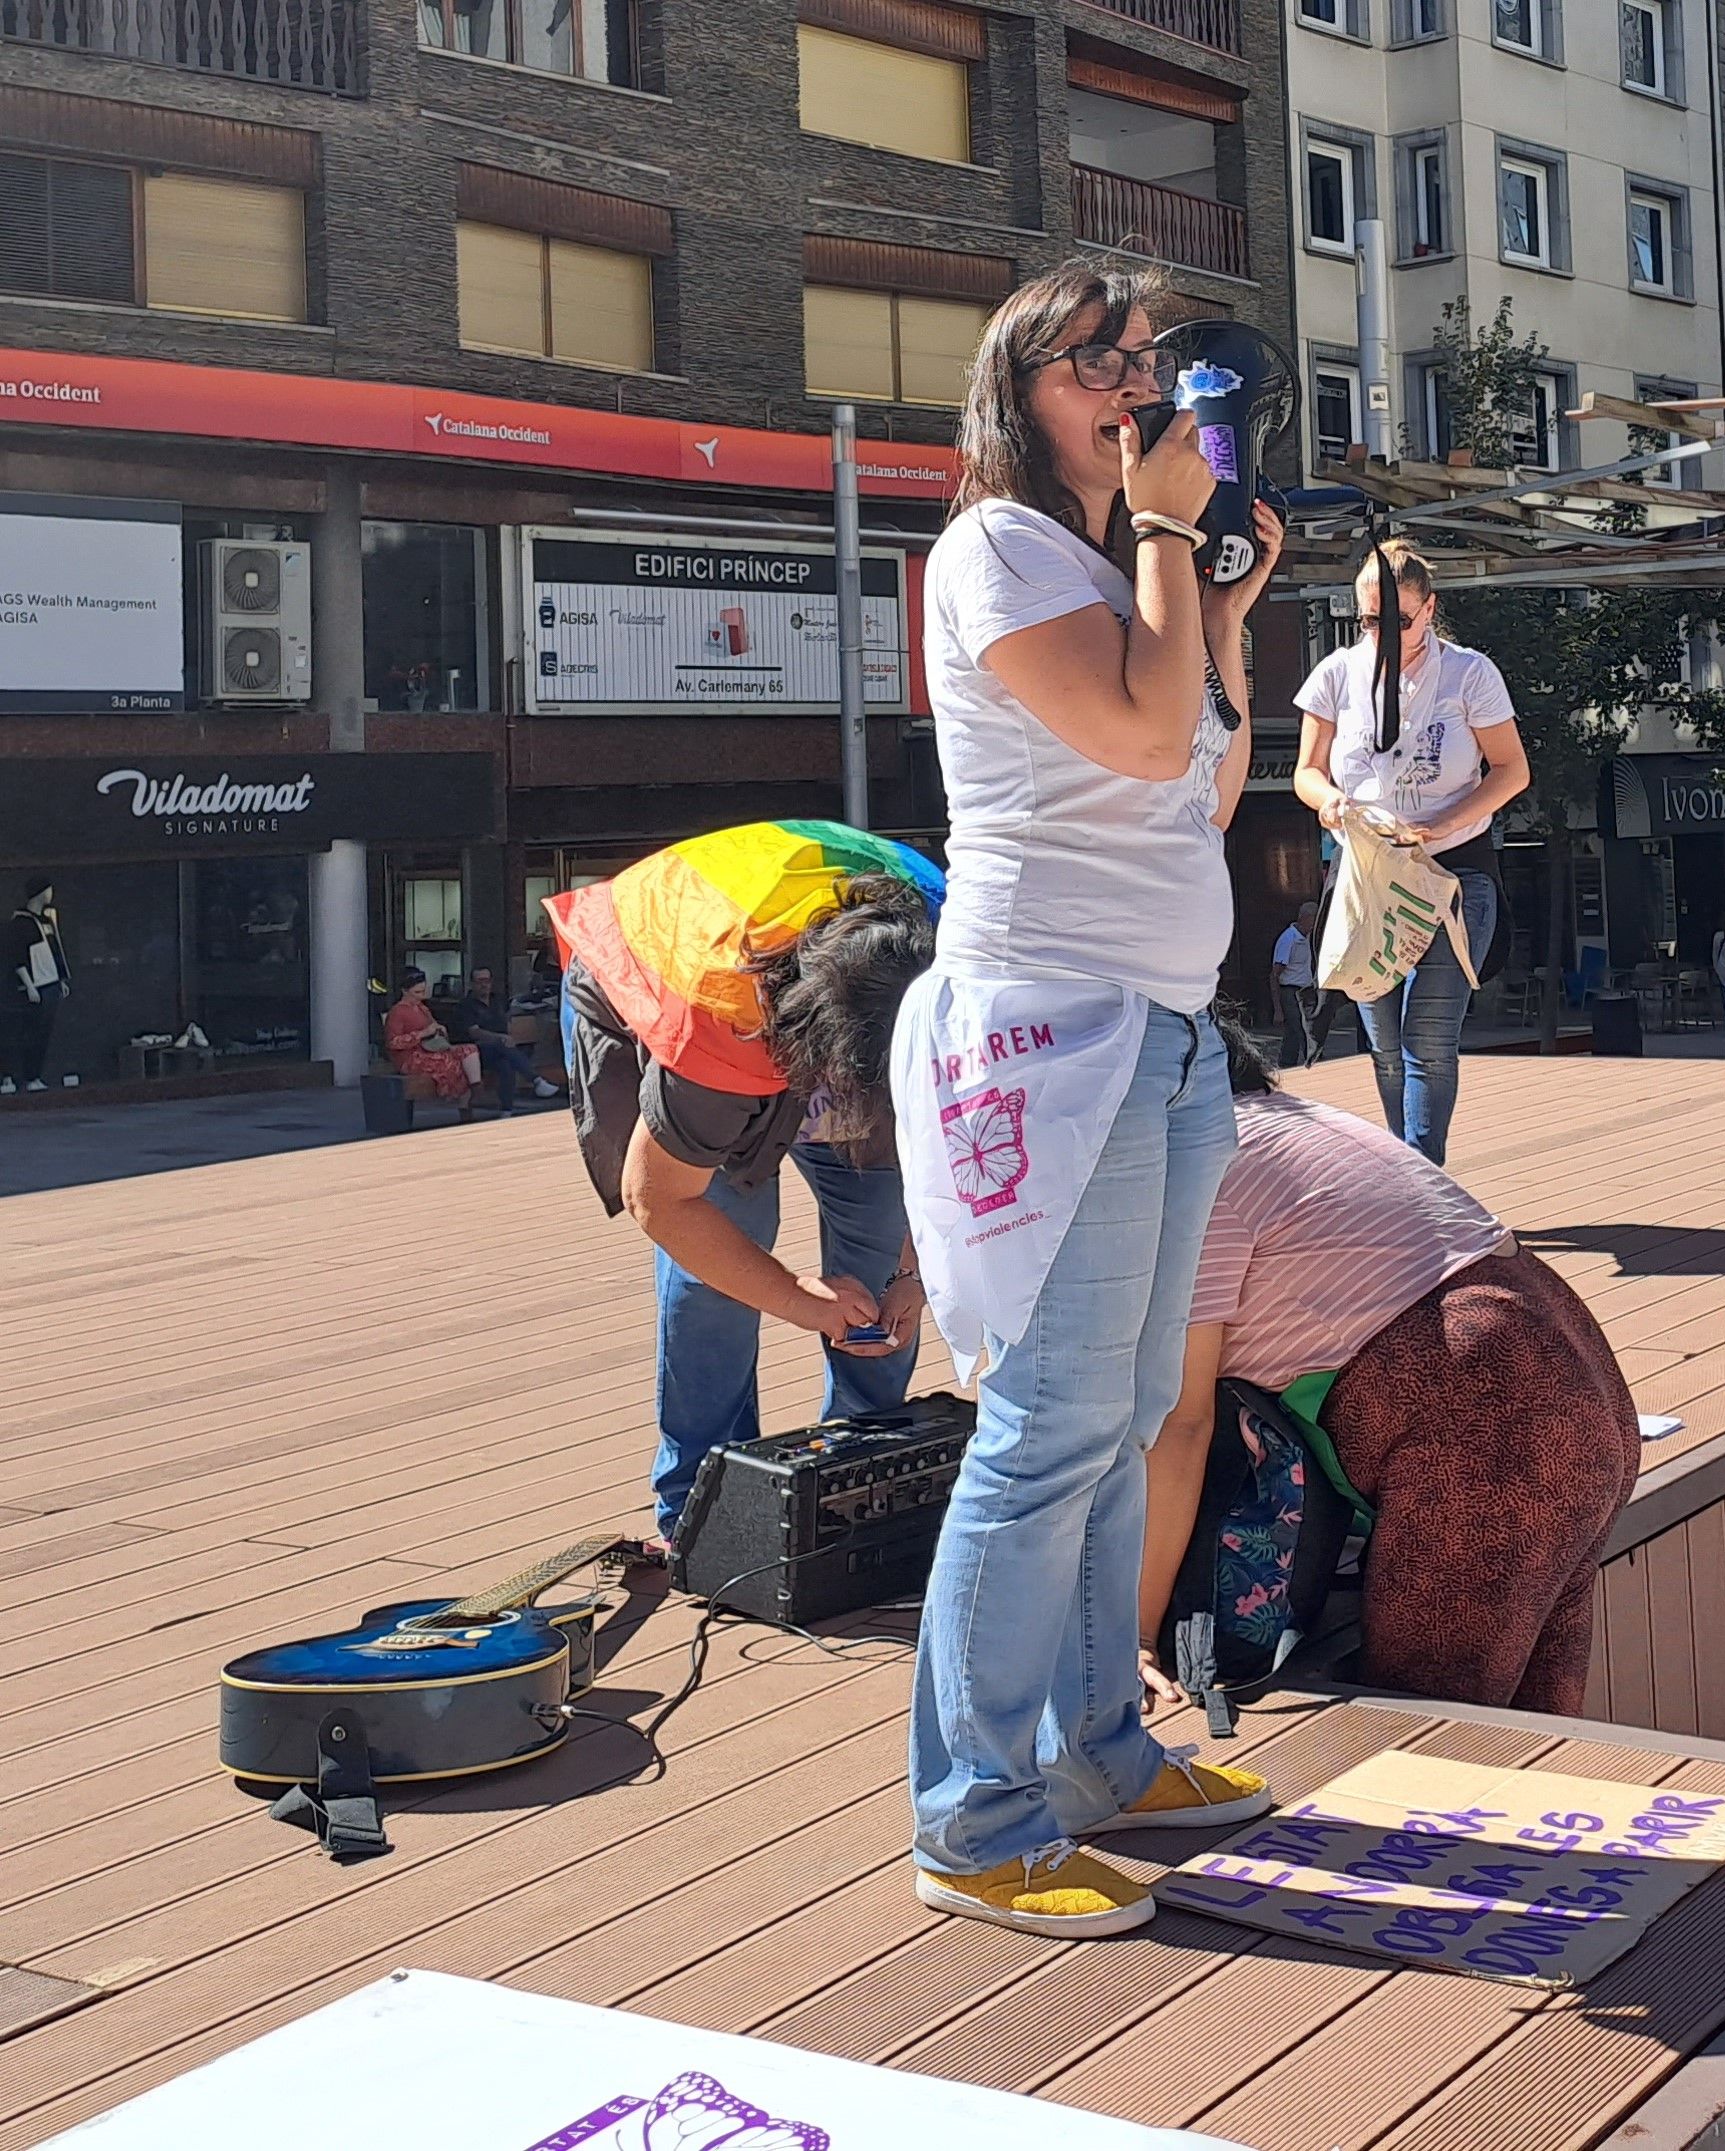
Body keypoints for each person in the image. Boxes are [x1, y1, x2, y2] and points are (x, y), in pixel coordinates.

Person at [889, 258, 1285, 1943]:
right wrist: (1173, 536)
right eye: (1096, 360)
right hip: (1051, 1035)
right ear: (1017, 391)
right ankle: (973, 1821)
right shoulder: (997, 547)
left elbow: (1210, 779)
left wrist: (1220, 600)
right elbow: (1133, 739)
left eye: (1147, 357)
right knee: (1051, 1419)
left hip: (1162, 1033)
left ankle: (1100, 1753)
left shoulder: (1129, 567)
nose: (1136, 381)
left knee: (1124, 1409)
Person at [1137, 1024, 1638, 1714]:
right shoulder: (1292, 1122)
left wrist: (1133, 1632)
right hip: (1572, 1379)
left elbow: (1181, 1422)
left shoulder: (1198, 1164)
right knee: (1532, 1724)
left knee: (1434, 1731)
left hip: (1493, 1418)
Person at [547, 822, 942, 1555]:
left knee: (880, 1266)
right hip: (681, 985)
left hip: (824, 1003)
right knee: (720, 1278)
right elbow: (663, 1201)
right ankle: (703, 1505)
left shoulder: (958, 968)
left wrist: (916, 1274)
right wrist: (797, 1298)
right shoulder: (722, 1022)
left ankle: (860, 1470)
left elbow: (942, 1148)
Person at [1292, 540, 1532, 1165]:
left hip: (1453, 873)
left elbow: (1512, 771)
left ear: (1429, 608)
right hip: (1368, 876)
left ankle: (1423, 1177)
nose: (1384, 634)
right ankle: (1408, 1177)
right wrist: (1329, 802)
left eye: (1399, 620)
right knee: (1385, 1047)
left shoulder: (1468, 674)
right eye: (1370, 621)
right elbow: (1307, 772)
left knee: (1426, 1038)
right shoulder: (1336, 674)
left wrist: (1441, 825)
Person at [446, 964, 563, 1106]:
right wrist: (500, 1037)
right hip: (477, 1053)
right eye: (480, 981)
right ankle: (536, 1080)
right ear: (472, 983)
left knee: (506, 1065)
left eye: (487, 980)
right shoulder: (465, 1005)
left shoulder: (498, 1001)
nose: (484, 985)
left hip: (502, 1050)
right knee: (502, 1046)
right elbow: (474, 1032)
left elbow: (510, 1015)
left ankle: (506, 1111)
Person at [2, 876, 65, 1092]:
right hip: (32, 985)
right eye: (48, 890)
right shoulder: (20, 923)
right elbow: (17, 956)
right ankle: (12, 1076)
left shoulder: (46, 921)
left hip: (50, 983)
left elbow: (55, 951)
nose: (51, 894)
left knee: (42, 1033)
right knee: (23, 1033)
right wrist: (29, 984)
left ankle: (34, 1075)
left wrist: (60, 978)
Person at [382, 967, 483, 1099]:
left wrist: (439, 1029)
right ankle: (461, 1098)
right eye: (417, 992)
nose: (421, 996)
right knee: (450, 1062)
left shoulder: (422, 1008)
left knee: (469, 1050)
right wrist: (421, 1034)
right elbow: (393, 1042)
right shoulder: (397, 1012)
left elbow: (432, 1025)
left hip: (430, 1048)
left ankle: (476, 1088)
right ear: (405, 991)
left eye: (423, 991)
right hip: (409, 1057)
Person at [1271, 901, 1320, 1067]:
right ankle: (1312, 1059)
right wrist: (1277, 1009)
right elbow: (1275, 974)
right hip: (1290, 991)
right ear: (1304, 918)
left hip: (1305, 989)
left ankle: (1287, 1063)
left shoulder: (1307, 938)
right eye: (1313, 920)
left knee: (1294, 1031)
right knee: (1301, 1027)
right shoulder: (1289, 939)